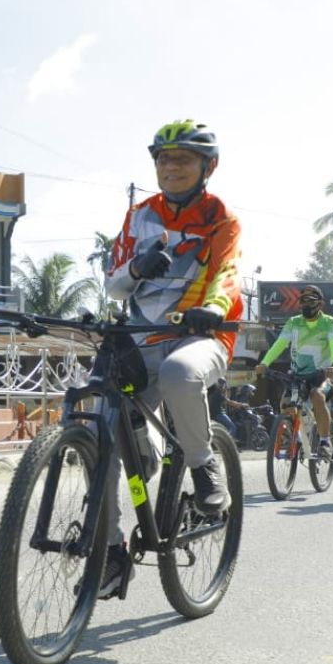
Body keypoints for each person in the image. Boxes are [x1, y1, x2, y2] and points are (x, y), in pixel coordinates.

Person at [100, 119, 243, 598]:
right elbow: (113, 283)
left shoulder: (222, 217)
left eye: (182, 158)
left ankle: (203, 465)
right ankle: (110, 550)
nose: (171, 167)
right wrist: (139, 267)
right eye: (163, 158)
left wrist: (213, 309)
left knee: (182, 374)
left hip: (200, 336)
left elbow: (227, 272)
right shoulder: (140, 214)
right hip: (142, 336)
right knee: (104, 432)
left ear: (208, 167)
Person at [256, 284, 333, 460]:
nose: (306, 304)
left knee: (317, 396)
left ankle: (325, 441)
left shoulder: (330, 323)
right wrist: (264, 363)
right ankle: (293, 436)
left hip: (324, 375)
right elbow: (280, 344)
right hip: (298, 375)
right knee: (286, 404)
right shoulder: (293, 323)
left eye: (311, 300)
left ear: (320, 304)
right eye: (303, 300)